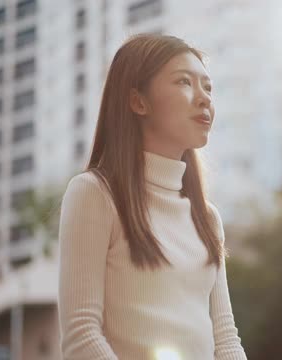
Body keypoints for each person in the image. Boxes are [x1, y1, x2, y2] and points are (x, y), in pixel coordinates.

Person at [57, 33, 247, 360]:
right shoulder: (94, 194)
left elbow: (225, 338)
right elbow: (81, 332)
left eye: (208, 87)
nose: (204, 98)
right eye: (184, 82)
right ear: (138, 102)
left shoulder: (207, 218)